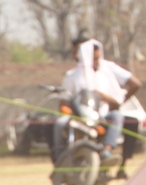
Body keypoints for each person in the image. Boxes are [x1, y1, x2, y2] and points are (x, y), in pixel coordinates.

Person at [54, 40, 129, 168]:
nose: (97, 62)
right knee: (60, 123)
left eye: (98, 58)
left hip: (100, 118)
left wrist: (103, 96)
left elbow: (117, 102)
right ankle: (59, 159)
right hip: (78, 117)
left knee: (117, 116)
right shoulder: (71, 76)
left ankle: (106, 151)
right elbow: (64, 102)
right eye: (94, 59)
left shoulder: (105, 76)